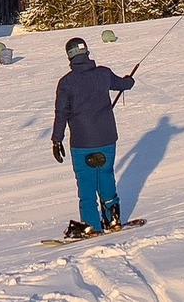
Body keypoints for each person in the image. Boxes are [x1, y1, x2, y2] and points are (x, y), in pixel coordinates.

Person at [50, 37, 135, 239]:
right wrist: (129, 80)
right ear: (86, 52)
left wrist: (56, 139)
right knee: (105, 176)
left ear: (69, 56)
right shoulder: (103, 74)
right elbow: (125, 84)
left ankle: (92, 224)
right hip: (107, 138)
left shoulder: (67, 83)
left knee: (86, 184)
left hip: (82, 142)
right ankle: (113, 219)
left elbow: (61, 113)